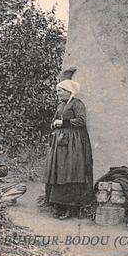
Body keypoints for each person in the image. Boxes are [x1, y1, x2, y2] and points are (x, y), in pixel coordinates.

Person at [43, 70, 94, 219]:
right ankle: (57, 205)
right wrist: (54, 124)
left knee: (70, 171)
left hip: (73, 143)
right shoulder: (60, 105)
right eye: (57, 92)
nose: (58, 94)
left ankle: (70, 208)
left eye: (60, 91)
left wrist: (64, 122)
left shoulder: (77, 104)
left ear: (69, 91)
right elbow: (54, 120)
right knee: (58, 171)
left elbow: (81, 121)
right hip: (59, 143)